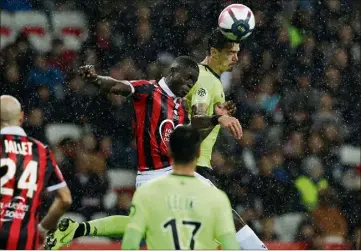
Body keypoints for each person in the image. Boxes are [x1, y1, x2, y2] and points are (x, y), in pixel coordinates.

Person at [44, 56, 242, 249]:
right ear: (173, 72)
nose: (190, 84)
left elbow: (194, 132)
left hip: (172, 174)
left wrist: (216, 118)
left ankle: (76, 229)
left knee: (141, 225)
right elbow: (117, 85)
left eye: (194, 81)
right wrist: (96, 79)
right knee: (210, 212)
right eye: (188, 77)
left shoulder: (181, 107)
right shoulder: (149, 90)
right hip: (154, 175)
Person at [184, 29, 267, 250]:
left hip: (198, 168)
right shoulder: (204, 80)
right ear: (213, 51)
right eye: (231, 52)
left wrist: (218, 115)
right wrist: (217, 119)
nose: (236, 58)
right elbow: (198, 118)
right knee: (229, 221)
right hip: (193, 169)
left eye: (238, 52)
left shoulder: (213, 80)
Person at [121, 126, 239, 249]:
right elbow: (231, 247)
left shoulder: (146, 193)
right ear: (198, 153)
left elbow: (130, 245)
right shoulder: (217, 198)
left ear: (170, 151)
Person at [0, 95, 72, 250]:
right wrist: (41, 229)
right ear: (20, 117)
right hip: (25, 239)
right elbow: (65, 199)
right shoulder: (41, 151)